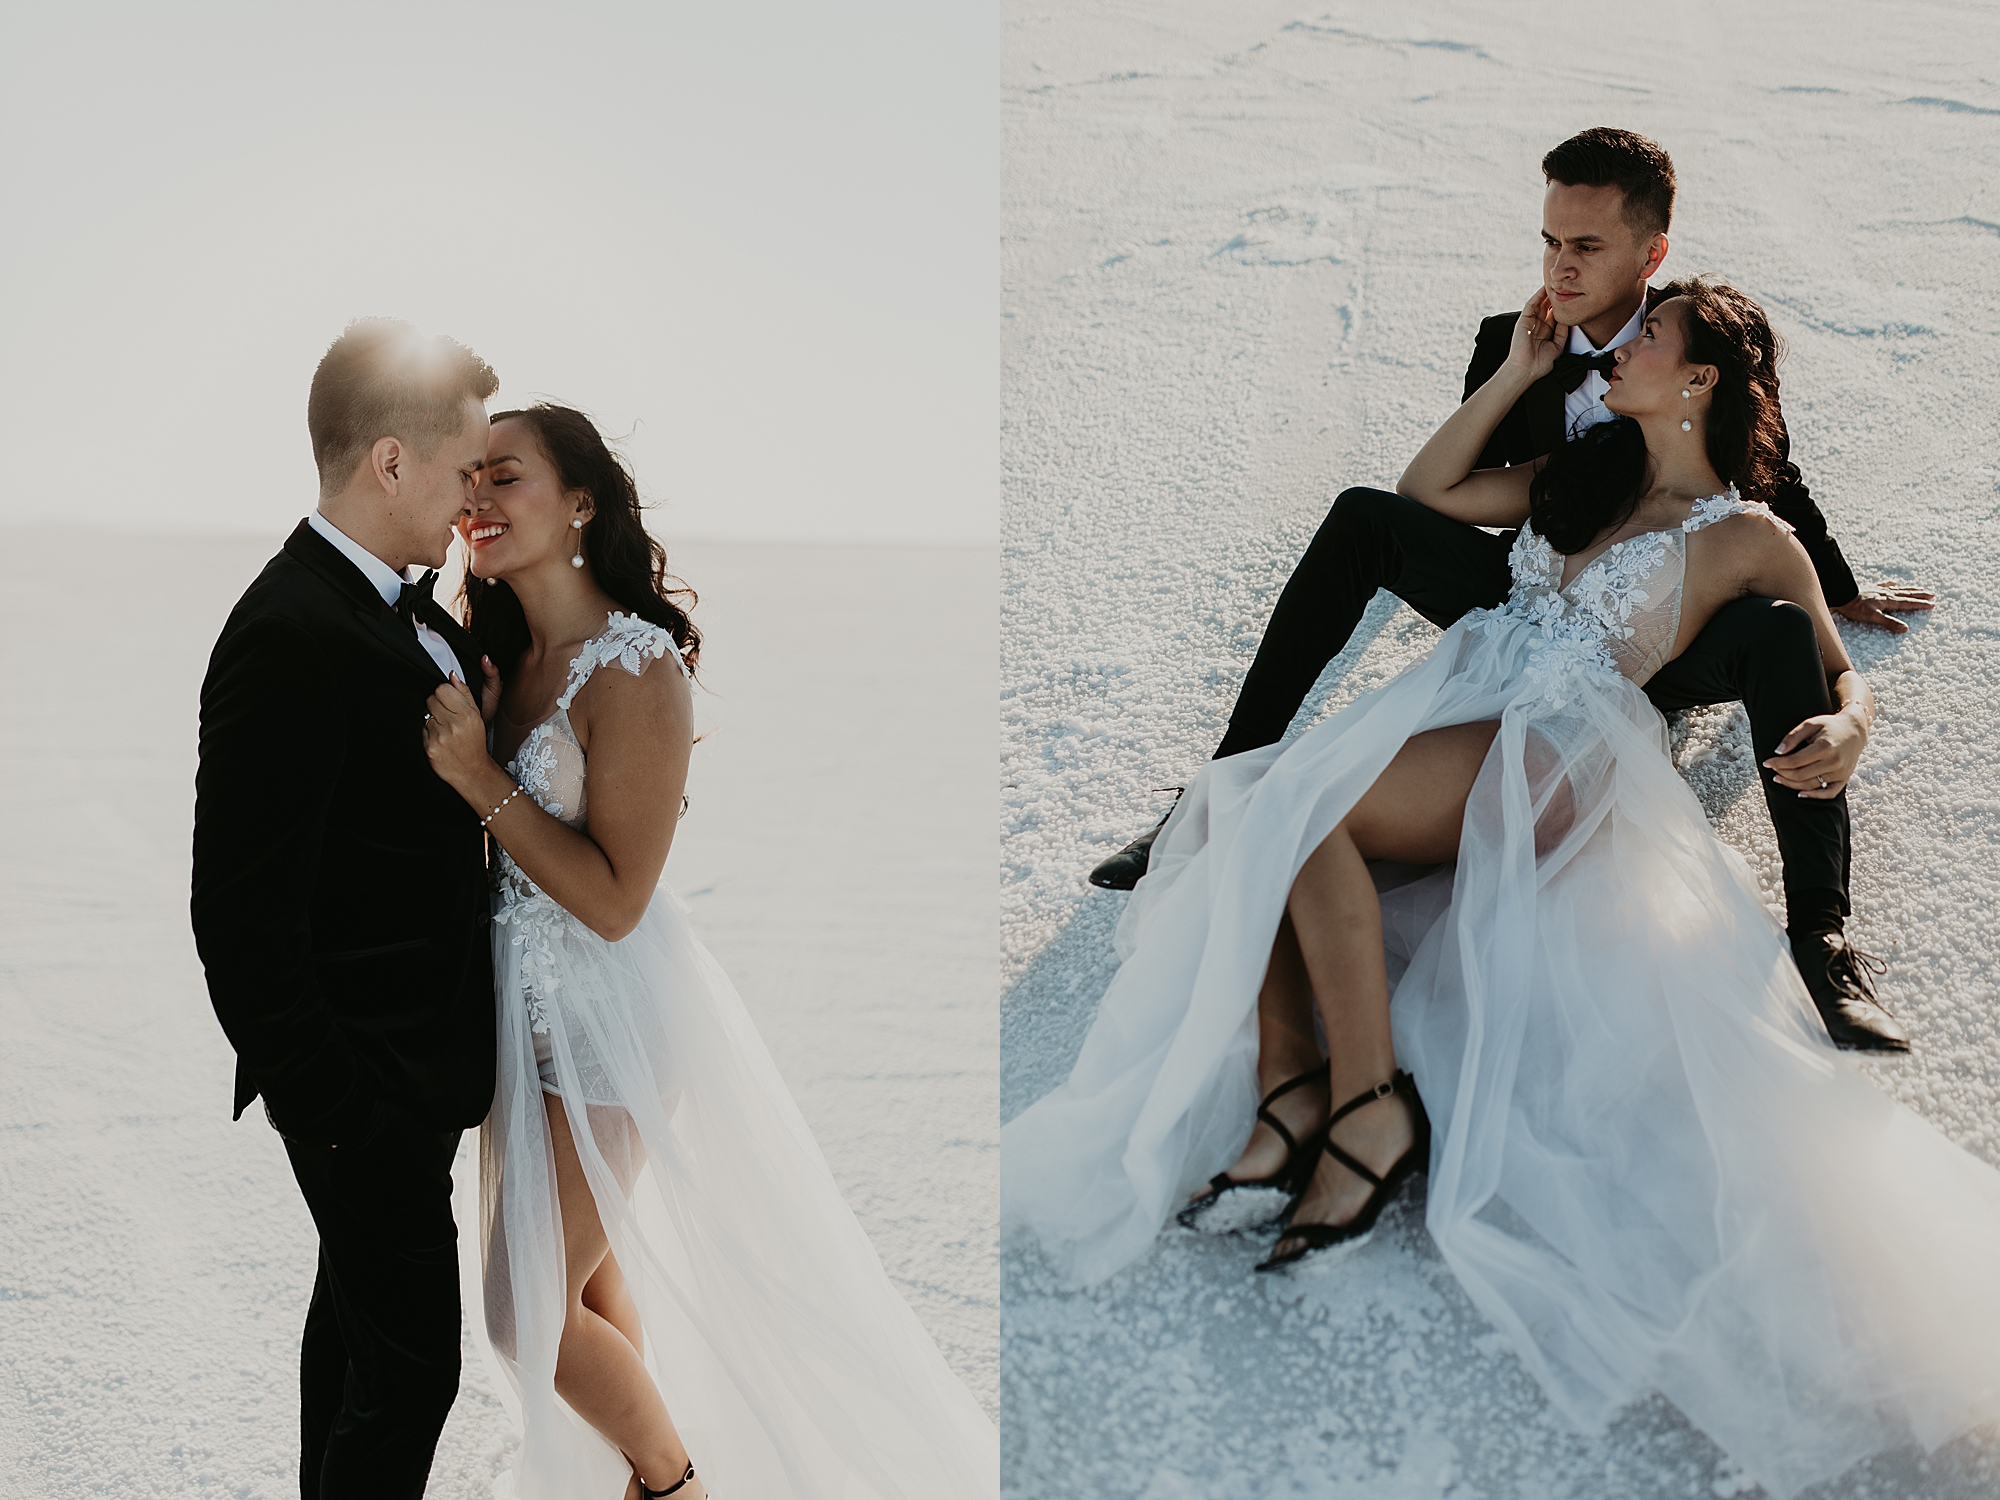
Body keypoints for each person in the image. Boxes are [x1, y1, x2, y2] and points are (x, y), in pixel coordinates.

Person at [1003, 278, 2000, 1500]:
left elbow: (1839, 674)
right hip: (1467, 702)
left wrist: (1846, 731)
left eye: (1647, 342)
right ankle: (1306, 1092)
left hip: (1554, 745)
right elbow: (1425, 494)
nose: (1618, 349)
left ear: (1699, 381)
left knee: (1290, 809)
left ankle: (1348, 1105)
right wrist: (1517, 377)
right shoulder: (1576, 474)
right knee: (1248, 808)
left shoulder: (1745, 531)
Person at [1086, 128, 1932, 1052]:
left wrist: (1839, 602)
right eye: (1549, 242)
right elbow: (1442, 495)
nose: (1560, 268)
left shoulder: (1696, 338)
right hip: (1541, 579)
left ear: (1651, 254)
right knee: (1364, 517)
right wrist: (1515, 376)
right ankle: (1214, 787)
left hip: (1656, 631)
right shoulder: (1514, 341)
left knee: (1774, 631)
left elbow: (1768, 474)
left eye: (1586, 247)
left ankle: (1822, 934)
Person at [421, 404, 997, 1498]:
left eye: (506, 476)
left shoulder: (635, 670)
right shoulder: (501, 654)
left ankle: (674, 1483)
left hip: (606, 1024)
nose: (476, 501)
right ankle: (629, 1471)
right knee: (583, 1292)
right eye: (467, 480)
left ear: (580, 500)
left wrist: (478, 780)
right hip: (514, 1015)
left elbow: (615, 900)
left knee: (523, 1319)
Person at [191, 319, 502, 1497]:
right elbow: (236, 916)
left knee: (362, 1355)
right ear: (389, 461)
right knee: (413, 1368)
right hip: (359, 1090)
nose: (472, 498)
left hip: (411, 1081)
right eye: (463, 469)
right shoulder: (287, 631)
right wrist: (337, 1115)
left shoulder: (381, 608)